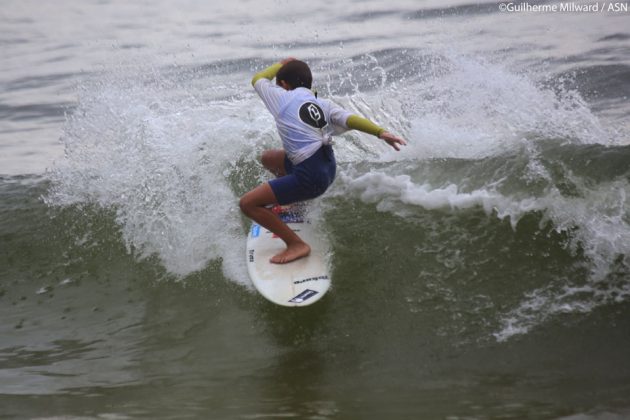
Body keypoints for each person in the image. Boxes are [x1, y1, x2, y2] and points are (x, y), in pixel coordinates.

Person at [240, 57, 406, 264]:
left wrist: (280, 65)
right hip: (326, 168)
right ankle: (296, 201)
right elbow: (351, 119)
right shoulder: (322, 103)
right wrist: (381, 133)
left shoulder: (281, 98)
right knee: (269, 158)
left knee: (247, 204)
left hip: (310, 177)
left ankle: (296, 244)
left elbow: (258, 79)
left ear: (284, 85)